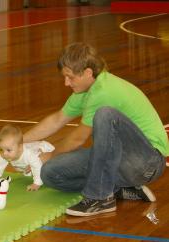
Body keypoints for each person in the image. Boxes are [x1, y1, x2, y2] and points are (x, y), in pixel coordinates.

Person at [23, 42, 168, 217]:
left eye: (70, 77)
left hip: (147, 162)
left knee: (105, 115)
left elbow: (78, 138)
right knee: (50, 173)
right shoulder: (83, 91)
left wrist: (50, 155)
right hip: (121, 160)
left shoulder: (104, 91)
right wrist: (19, 142)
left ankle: (100, 198)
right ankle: (117, 188)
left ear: (88, 73)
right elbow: (57, 119)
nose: (66, 83)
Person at [0, 124, 54, 191]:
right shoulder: (6, 153)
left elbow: (37, 167)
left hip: (46, 150)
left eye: (8, 150)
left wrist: (37, 183)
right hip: (30, 162)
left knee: (46, 169)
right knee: (29, 171)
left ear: (20, 147)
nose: (4, 153)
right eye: (1, 149)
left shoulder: (29, 154)